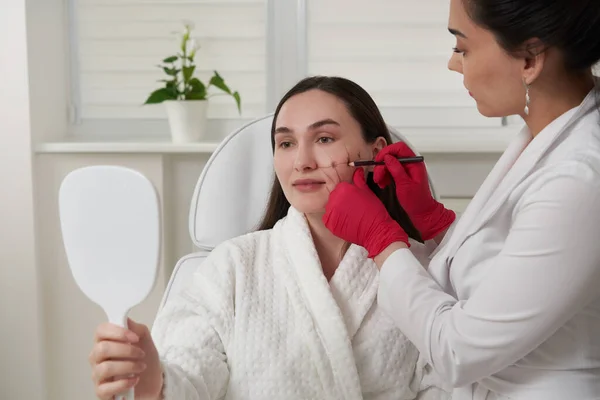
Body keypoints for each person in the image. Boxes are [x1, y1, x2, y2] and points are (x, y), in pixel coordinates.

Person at [87, 76, 449, 400]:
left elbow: (451, 383)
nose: (302, 161)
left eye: (324, 138)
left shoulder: (416, 270)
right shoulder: (233, 266)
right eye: (286, 143)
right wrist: (152, 381)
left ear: (376, 151)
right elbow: (190, 373)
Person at [322, 0, 600, 399]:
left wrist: (381, 238)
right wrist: (435, 224)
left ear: (529, 59)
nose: (453, 64)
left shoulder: (580, 178)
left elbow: (458, 350)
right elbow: (509, 272)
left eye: (463, 47)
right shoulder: (546, 134)